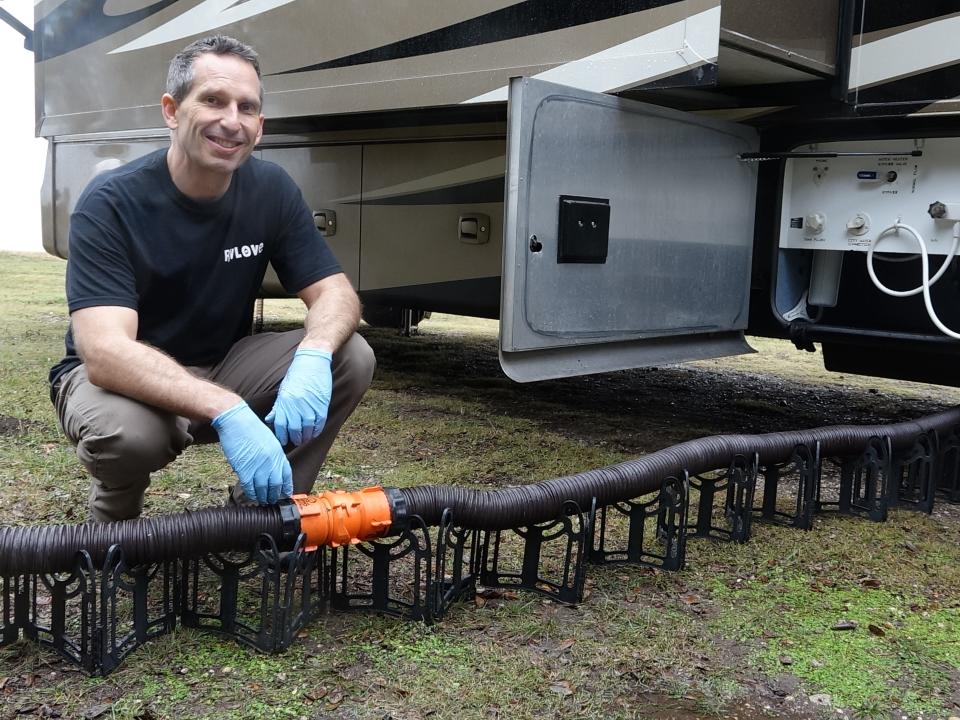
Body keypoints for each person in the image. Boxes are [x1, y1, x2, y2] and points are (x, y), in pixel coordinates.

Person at [48, 35, 375, 522]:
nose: (231, 121)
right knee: (131, 436)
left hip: (221, 364)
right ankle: (114, 528)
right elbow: (105, 353)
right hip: (120, 385)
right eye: (213, 100)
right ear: (171, 110)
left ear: (260, 127)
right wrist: (227, 408)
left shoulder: (271, 190)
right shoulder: (112, 202)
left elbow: (336, 293)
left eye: (247, 108)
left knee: (349, 356)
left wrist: (313, 353)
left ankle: (262, 517)